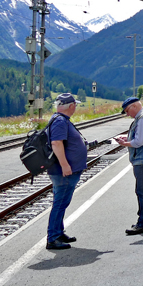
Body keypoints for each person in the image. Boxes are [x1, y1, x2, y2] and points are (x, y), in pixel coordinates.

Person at [46, 93, 87, 250]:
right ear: (71, 106)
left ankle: (58, 232)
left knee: (62, 202)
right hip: (62, 171)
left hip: (64, 170)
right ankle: (53, 237)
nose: (75, 107)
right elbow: (56, 143)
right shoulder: (60, 121)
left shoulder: (60, 120)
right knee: (60, 203)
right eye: (75, 105)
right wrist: (64, 165)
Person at [115, 97, 143, 235]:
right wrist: (128, 139)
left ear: (134, 106)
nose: (128, 114)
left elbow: (139, 141)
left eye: (127, 111)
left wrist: (125, 144)